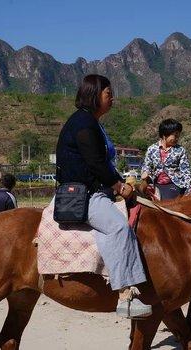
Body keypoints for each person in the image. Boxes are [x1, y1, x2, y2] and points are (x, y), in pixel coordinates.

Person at [55, 74, 152, 319]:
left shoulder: (91, 122)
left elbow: (103, 164)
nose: (112, 98)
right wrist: (118, 186)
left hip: (95, 188)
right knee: (119, 227)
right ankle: (124, 294)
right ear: (94, 94)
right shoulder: (84, 124)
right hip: (85, 194)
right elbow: (96, 163)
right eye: (109, 93)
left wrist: (122, 183)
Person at [141, 118, 191, 200]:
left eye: (178, 136)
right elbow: (146, 165)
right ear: (165, 134)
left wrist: (188, 190)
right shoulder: (152, 149)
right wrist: (145, 172)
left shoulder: (180, 150)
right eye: (175, 136)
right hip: (155, 183)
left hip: (174, 184)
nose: (177, 138)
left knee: (166, 201)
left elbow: (186, 172)